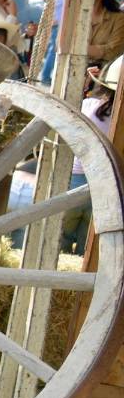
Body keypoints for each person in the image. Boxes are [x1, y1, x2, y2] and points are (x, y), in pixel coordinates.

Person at [63, 56, 119, 253]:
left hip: (75, 177)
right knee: (87, 247)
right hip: (109, 186)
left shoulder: (88, 107)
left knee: (61, 240)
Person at [88, 0, 124, 69]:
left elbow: (114, 50)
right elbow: (59, 44)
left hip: (102, 76)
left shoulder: (119, 18)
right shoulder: (75, 16)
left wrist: (79, 49)